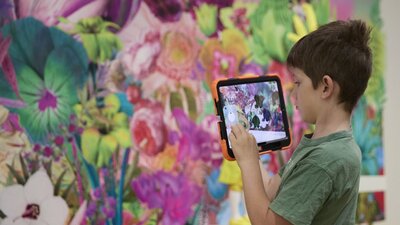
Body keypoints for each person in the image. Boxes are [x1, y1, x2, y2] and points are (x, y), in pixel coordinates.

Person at [229, 19, 372, 225]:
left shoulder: (325, 159)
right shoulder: (325, 146)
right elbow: (270, 191)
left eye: (298, 82)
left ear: (325, 87)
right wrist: (251, 149)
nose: (293, 92)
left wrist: (248, 162)